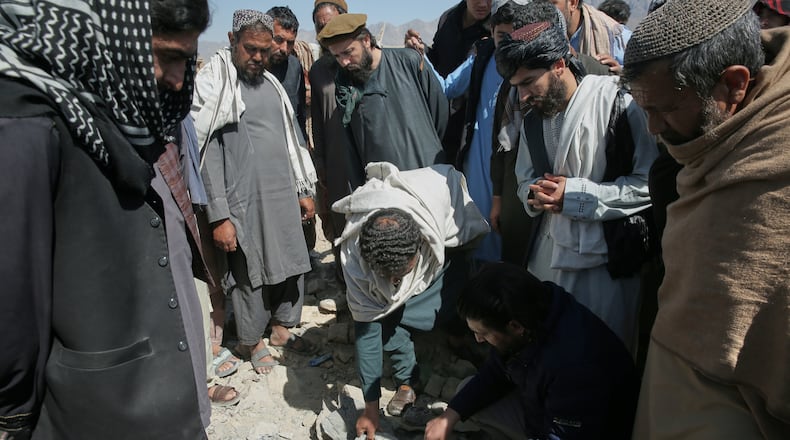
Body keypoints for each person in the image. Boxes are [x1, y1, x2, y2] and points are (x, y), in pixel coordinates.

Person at [0, 0, 213, 438]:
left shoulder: (125, 103)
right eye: (167, 56)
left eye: (186, 60)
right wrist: (13, 415)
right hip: (100, 409)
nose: (178, 79)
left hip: (166, 400)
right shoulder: (28, 118)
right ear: (113, 39)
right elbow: (13, 297)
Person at [622, 0, 790, 437]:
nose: (654, 128)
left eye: (665, 109)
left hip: (742, 401)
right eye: (645, 109)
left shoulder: (776, 159)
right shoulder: (699, 146)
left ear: (734, 84)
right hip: (674, 373)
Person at [498, 21, 658, 355]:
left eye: (529, 82)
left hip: (606, 267)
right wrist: (534, 194)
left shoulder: (620, 102)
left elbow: (648, 184)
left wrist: (579, 197)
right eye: (517, 86)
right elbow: (523, 178)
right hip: (548, 259)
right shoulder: (532, 118)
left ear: (559, 65)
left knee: (603, 357)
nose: (523, 95)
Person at [192, 10, 318, 375]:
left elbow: (292, 139)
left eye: (266, 50)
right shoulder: (216, 87)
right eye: (251, 49)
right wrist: (219, 215)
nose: (260, 57)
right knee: (250, 271)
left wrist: (302, 190)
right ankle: (250, 340)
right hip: (241, 202)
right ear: (232, 41)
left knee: (293, 261)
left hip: (283, 195)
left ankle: (281, 328)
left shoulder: (273, 86)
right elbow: (207, 156)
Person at [332, 162, 489, 440]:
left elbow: (467, 238)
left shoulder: (433, 216)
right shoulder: (355, 258)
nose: (395, 285)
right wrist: (370, 408)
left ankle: (458, 335)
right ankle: (408, 379)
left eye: (401, 275)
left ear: (420, 247)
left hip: (445, 241)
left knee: (455, 295)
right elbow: (366, 330)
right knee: (386, 321)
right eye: (387, 278)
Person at [424, 262, 638, 439]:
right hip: (544, 411)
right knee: (466, 392)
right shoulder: (529, 311)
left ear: (515, 326)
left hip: (589, 432)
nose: (478, 340)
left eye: (483, 333)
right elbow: (496, 373)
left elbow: (563, 435)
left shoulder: (572, 363)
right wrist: (448, 416)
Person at [318, 14, 449, 189]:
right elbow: (351, 145)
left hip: (427, 176)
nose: (344, 62)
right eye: (337, 56)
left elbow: (440, 114)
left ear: (366, 40)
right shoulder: (345, 85)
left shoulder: (409, 61)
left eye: (348, 52)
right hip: (383, 188)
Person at [406, 0, 492, 164]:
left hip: (469, 121)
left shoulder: (495, 29)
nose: (483, 4)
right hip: (438, 112)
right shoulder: (448, 19)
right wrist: (418, 48)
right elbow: (436, 57)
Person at [310, 0, 350, 270]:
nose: (325, 32)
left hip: (365, 159)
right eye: (319, 27)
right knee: (340, 223)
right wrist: (321, 163)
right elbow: (318, 124)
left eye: (331, 24)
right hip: (336, 162)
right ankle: (344, 283)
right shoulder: (318, 71)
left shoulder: (359, 60)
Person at [550, 0, 630, 71]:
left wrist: (621, 73)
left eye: (551, 3)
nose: (543, 9)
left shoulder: (615, 35)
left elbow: (639, 73)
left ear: (572, 3)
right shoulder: (544, 35)